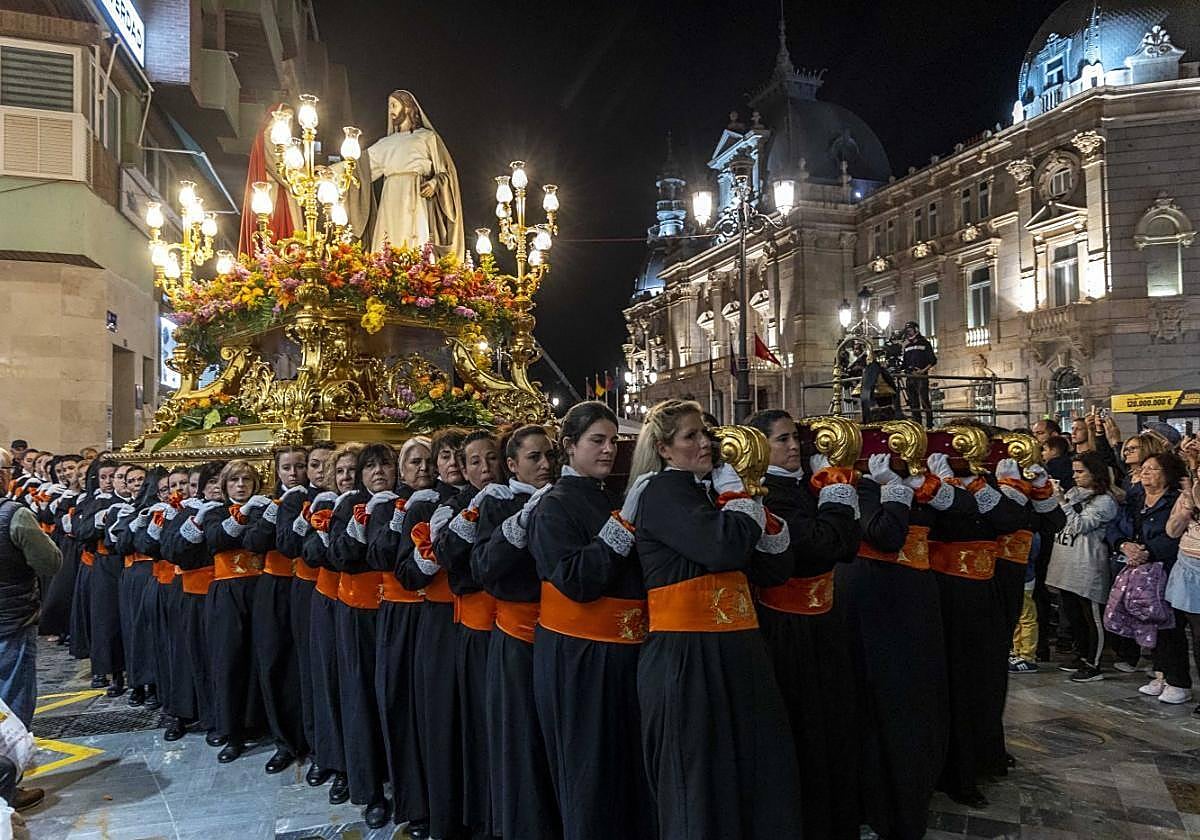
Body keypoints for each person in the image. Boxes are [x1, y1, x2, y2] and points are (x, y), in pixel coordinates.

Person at [630, 399, 802, 839]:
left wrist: (746, 502)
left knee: (750, 769)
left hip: (736, 650)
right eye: (691, 436)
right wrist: (740, 501)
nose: (705, 443)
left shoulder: (709, 492)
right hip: (688, 655)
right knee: (699, 778)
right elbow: (723, 547)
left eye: (706, 433)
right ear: (664, 449)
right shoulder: (663, 491)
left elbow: (771, 568)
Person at [529, 402, 656, 840]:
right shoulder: (553, 506)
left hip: (623, 654)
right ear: (569, 446)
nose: (608, 450)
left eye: (613, 441)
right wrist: (623, 523)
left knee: (629, 767)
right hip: (580, 660)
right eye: (596, 441)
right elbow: (576, 580)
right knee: (591, 770)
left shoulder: (607, 495)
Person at [746, 409, 861, 840]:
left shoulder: (808, 486)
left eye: (795, 437)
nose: (794, 446)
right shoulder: (768, 494)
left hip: (826, 620)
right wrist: (834, 501)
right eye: (782, 439)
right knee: (802, 728)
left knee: (835, 723)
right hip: (786, 628)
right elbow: (821, 545)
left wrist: (831, 504)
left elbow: (846, 546)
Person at [473, 424, 561, 840]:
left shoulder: (561, 498)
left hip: (561, 634)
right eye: (534, 457)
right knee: (522, 737)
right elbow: (486, 567)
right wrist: (523, 521)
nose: (545, 464)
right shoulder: (498, 503)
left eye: (550, 456)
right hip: (518, 637)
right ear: (512, 465)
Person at [395, 430, 467, 838]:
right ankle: (442, 815)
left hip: (483, 626)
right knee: (440, 721)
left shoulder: (489, 496)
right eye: (445, 456)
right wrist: (433, 553)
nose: (453, 463)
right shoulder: (423, 504)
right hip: (439, 621)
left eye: (460, 455)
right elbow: (405, 573)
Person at [434, 431, 503, 840]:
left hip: (517, 630)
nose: (484, 468)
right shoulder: (455, 506)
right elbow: (449, 560)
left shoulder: (515, 496)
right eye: (474, 462)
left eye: (491, 458)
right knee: (480, 721)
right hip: (477, 628)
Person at [329, 443, 398, 828]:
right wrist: (361, 522)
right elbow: (338, 555)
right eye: (369, 466)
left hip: (398, 614)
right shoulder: (348, 505)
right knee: (360, 699)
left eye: (385, 464)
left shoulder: (407, 501)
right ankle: (370, 789)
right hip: (358, 615)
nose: (378, 472)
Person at [368, 435, 431, 835]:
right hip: (401, 616)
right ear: (401, 471)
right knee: (401, 707)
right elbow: (380, 554)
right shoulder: (386, 506)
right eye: (413, 462)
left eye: (428, 461)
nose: (422, 468)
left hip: (438, 619)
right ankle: (413, 802)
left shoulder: (445, 499)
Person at [300, 443, 362, 805]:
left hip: (361, 605)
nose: (346, 477)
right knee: (327, 680)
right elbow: (310, 552)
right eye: (340, 471)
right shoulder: (324, 504)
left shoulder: (374, 504)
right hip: (328, 601)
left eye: (352, 470)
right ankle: (333, 760)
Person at [0, 446, 61, 812]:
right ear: (3, 477)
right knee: (12, 706)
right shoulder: (14, 515)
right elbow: (50, 562)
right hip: (11, 621)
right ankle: (7, 789)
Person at [242, 446, 309, 775]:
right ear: (276, 471)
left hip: (309, 588)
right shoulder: (267, 503)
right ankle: (283, 740)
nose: (294, 473)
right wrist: (273, 512)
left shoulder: (318, 498)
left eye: (300, 466)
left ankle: (310, 737)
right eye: (286, 467)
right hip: (275, 589)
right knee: (273, 661)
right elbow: (253, 541)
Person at [1109, 452, 1188, 704]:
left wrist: (1147, 552)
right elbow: (1115, 526)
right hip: (1137, 568)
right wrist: (1124, 545)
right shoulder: (1135, 497)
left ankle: (1178, 681)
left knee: (1169, 625)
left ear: (1168, 474)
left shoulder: (1176, 499)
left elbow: (1175, 536)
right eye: (1144, 467)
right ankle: (1160, 674)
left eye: (1153, 469)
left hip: (1166, 568)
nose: (1145, 472)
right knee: (1149, 622)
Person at [361, 90, 464, 259]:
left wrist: (434, 183)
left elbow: (446, 172)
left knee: (418, 241)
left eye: (394, 105)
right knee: (387, 240)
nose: (390, 111)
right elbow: (360, 167)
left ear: (408, 107)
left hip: (416, 195)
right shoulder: (385, 143)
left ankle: (420, 272)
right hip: (391, 197)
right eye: (389, 106)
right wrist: (331, 171)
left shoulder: (427, 137)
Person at [1046, 452, 1119, 682]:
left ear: (1095, 473)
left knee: (1091, 617)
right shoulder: (1073, 493)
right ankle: (1081, 654)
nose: (1075, 476)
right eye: (1074, 471)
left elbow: (1080, 525)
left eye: (1080, 472)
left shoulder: (1104, 501)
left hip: (1087, 565)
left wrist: (1062, 502)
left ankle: (1093, 663)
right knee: (1074, 615)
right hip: (1066, 563)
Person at [1165, 437, 1200, 716]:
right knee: (1193, 633)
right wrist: (1187, 505)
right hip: (1188, 565)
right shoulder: (1189, 491)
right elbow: (1172, 530)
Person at [901, 321, 936, 427]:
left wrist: (922, 371)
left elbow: (933, 360)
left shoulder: (924, 343)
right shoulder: (907, 346)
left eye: (910, 330)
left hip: (921, 376)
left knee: (924, 400)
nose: (908, 333)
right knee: (913, 403)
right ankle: (917, 425)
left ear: (916, 330)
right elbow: (904, 364)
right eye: (907, 331)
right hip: (910, 377)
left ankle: (929, 424)